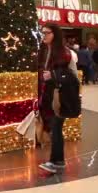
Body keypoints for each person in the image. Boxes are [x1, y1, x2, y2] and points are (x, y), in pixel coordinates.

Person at [37, 23, 75, 174]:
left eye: (47, 32)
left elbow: (70, 75)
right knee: (54, 128)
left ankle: (57, 161)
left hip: (59, 97)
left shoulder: (64, 53)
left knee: (56, 127)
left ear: (55, 34)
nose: (44, 35)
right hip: (48, 95)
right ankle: (56, 160)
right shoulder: (45, 51)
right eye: (43, 32)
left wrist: (52, 75)